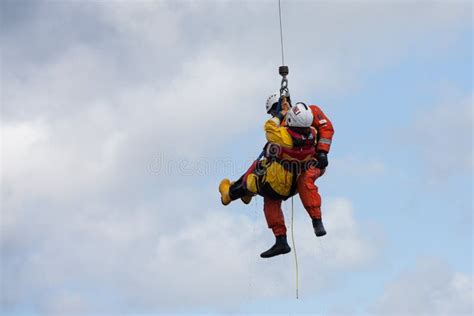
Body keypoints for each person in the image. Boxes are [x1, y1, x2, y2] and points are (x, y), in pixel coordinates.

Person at [220, 100, 319, 258]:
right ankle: (281, 241)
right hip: (294, 185)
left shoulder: (282, 137)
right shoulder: (313, 135)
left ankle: (229, 194)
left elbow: (269, 126)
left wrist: (280, 115)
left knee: (252, 181)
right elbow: (299, 129)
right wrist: (289, 115)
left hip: (276, 182)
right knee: (271, 200)